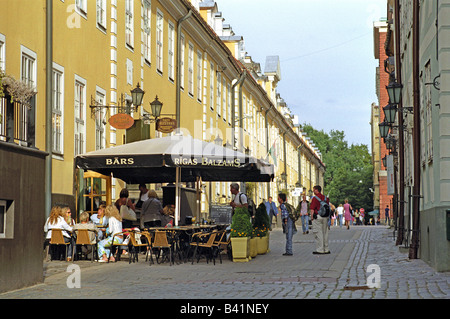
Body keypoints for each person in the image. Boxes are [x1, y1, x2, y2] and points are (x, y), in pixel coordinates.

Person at [310, 185, 330, 255]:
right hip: (325, 217)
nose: (313, 191)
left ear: (316, 190)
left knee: (318, 233)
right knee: (325, 233)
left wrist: (311, 217)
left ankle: (320, 249)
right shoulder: (325, 198)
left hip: (318, 217)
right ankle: (326, 248)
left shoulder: (315, 198)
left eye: (313, 189)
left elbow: (312, 209)